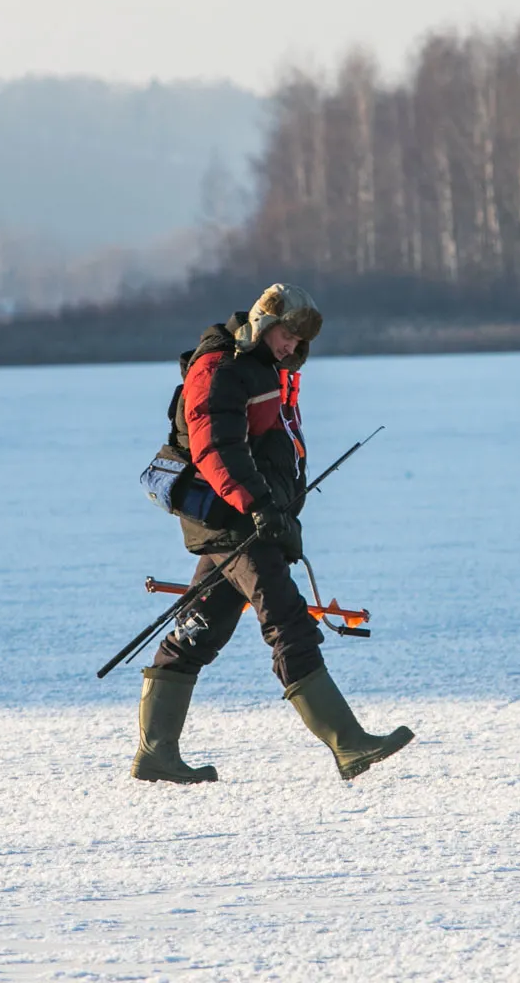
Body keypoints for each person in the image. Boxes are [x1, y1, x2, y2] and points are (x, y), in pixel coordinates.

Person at [132, 283, 413, 784]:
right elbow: (216, 448)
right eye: (287, 334)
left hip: (241, 518)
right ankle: (347, 744)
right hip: (233, 519)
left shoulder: (265, 369)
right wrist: (260, 507)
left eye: (300, 340)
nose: (291, 346)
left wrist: (279, 508)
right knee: (287, 620)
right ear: (265, 323)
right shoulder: (222, 368)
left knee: (198, 631)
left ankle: (156, 755)